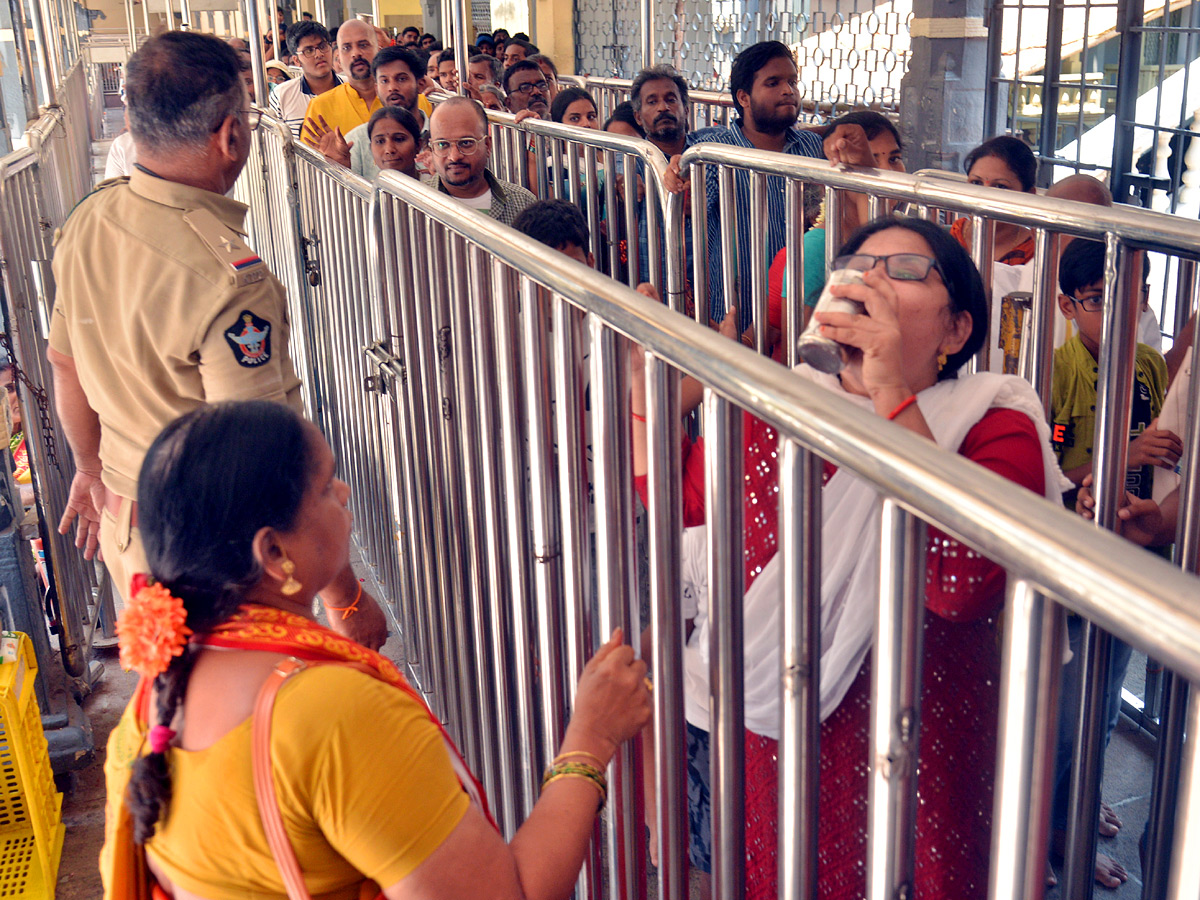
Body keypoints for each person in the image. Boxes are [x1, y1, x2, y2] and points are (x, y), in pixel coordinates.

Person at [633, 216, 1064, 900]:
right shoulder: (776, 409)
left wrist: (892, 391)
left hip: (925, 762)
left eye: (906, 271)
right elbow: (682, 506)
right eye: (858, 266)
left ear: (957, 331)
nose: (871, 282)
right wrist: (643, 386)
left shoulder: (996, 425)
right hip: (785, 750)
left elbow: (956, 582)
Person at [99, 400, 652, 900]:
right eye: (324, 486)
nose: (342, 492)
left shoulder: (155, 697)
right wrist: (591, 738)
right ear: (273, 551)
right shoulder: (330, 713)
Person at [46, 31, 385, 648]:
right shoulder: (228, 279)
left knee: (175, 719)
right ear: (230, 135)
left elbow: (62, 363)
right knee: (257, 729)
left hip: (130, 533)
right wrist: (346, 596)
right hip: (225, 569)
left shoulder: (89, 220)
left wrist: (91, 469)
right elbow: (264, 459)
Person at [1048, 237, 1177, 887]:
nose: (1123, 308)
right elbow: (1056, 472)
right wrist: (1127, 454)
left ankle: (1082, 799)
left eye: (1137, 292)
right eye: (1103, 299)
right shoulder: (1060, 370)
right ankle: (1053, 830)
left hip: (1135, 551)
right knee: (1070, 709)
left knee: (1104, 705)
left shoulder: (1152, 366)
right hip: (1078, 559)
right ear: (1069, 305)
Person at [766, 110, 906, 336]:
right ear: (832, 177)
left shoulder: (902, 230)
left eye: (894, 159)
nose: (886, 173)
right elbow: (799, 354)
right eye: (869, 162)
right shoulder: (817, 248)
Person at [424, 96, 536, 224]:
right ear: (432, 147)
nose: (454, 156)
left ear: (487, 145)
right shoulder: (413, 205)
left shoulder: (522, 203)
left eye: (466, 143)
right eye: (442, 144)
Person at [330, 48, 430, 179]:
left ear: (420, 84)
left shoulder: (441, 135)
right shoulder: (357, 140)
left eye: (401, 79)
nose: (392, 87)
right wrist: (339, 169)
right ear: (376, 88)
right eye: (384, 81)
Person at [951, 135, 1039, 265]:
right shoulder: (953, 236)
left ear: (1028, 195)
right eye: (976, 183)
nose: (983, 195)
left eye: (1000, 186)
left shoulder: (1036, 254)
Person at [300, 19, 380, 149]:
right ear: (338, 58)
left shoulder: (406, 99)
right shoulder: (320, 107)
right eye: (346, 48)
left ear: (378, 49)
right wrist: (331, 163)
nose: (356, 53)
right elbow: (306, 167)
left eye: (363, 45)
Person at [269, 21, 340, 139]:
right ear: (296, 60)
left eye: (322, 46)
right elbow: (276, 145)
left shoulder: (351, 87)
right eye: (309, 51)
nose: (318, 54)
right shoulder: (281, 95)